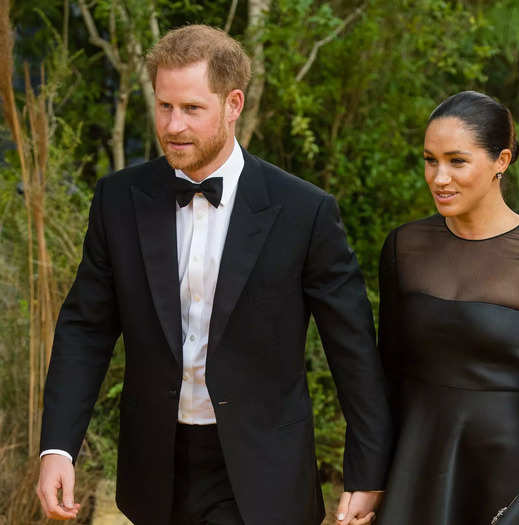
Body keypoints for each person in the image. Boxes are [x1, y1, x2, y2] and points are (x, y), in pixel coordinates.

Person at [35, 24, 393, 525]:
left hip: (265, 468)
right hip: (155, 469)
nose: (173, 125)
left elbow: (352, 348)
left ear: (233, 104)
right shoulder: (117, 200)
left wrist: (367, 469)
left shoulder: (304, 211)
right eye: (165, 106)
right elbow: (85, 328)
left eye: (192, 108)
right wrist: (58, 448)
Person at [376, 91, 519, 525]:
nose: (439, 177)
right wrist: (370, 477)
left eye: (457, 161)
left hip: (504, 469)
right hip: (418, 463)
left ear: (501, 161)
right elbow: (387, 376)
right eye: (430, 160)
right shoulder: (404, 247)